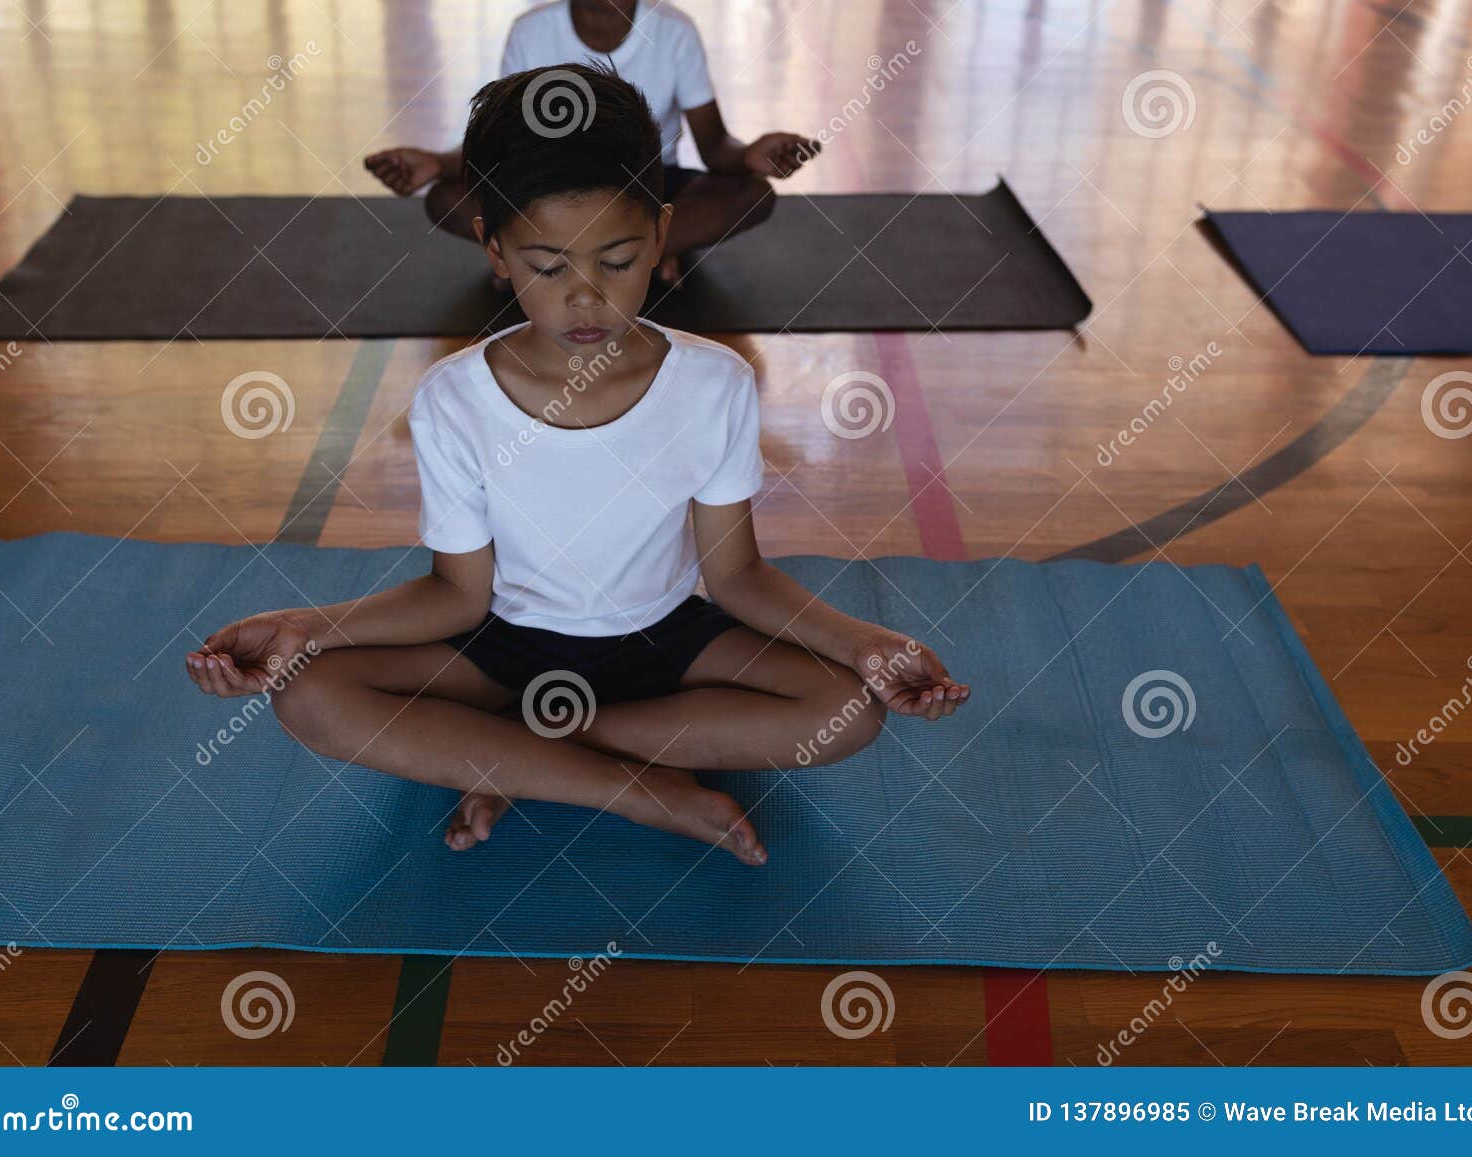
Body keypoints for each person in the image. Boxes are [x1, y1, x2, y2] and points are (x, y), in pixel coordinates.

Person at [187, 65, 966, 866]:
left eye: (618, 262)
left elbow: (735, 578)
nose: (585, 298)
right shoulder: (454, 399)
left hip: (663, 641)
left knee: (850, 710)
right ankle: (640, 790)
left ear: (662, 236)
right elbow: (457, 596)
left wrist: (865, 642)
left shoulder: (714, 384)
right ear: (495, 250)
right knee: (310, 695)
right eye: (549, 267)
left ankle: (523, 753)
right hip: (504, 650)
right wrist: (306, 630)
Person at [363, 0, 818, 283]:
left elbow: (716, 146)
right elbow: (500, 141)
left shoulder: (674, 30)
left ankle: (549, 263)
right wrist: (437, 164)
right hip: (549, 193)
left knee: (753, 194)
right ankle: (634, 256)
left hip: (648, 188)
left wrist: (751, 155)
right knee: (445, 198)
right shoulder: (532, 30)